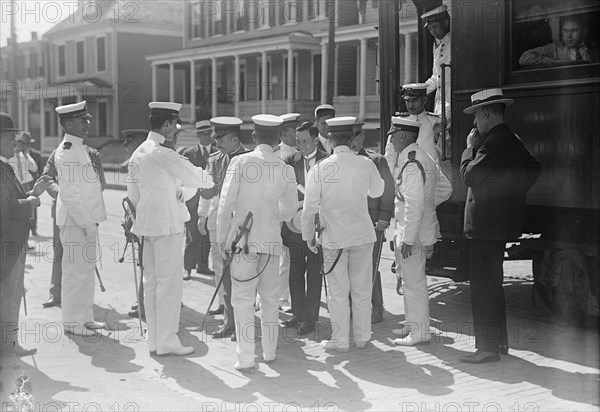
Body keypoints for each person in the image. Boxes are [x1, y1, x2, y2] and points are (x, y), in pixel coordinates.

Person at [459, 89, 541, 363]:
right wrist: (508, 195)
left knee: (483, 288)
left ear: (485, 113)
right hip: (496, 226)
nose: (475, 126)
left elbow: (469, 175)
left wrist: (469, 148)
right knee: (492, 285)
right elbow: (533, 168)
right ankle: (499, 345)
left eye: (476, 119)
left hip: (484, 226)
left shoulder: (490, 142)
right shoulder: (510, 139)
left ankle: (487, 349)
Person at [127, 102, 214, 356]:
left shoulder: (140, 152)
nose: (177, 131)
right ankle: (167, 340)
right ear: (165, 125)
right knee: (169, 285)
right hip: (167, 226)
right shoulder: (164, 153)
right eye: (175, 126)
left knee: (152, 282)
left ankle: (155, 339)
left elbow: (132, 195)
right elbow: (196, 177)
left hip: (146, 226)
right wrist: (209, 180)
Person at [216, 114, 297, 371]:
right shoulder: (286, 168)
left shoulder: (239, 162)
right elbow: (290, 210)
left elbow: (225, 204)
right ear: (277, 139)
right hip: (271, 243)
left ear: (253, 136)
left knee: (242, 300)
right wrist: (273, 215)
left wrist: (222, 240)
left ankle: (246, 357)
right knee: (271, 299)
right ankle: (270, 353)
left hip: (243, 242)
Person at [302, 116, 384, 352]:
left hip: (334, 237)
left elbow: (309, 208)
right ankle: (362, 337)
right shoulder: (365, 164)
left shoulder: (320, 168)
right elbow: (378, 191)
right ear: (351, 138)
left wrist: (308, 236)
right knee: (361, 288)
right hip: (362, 234)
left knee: (338, 291)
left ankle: (340, 340)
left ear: (329, 138)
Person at [387, 117, 452, 346]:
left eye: (393, 136)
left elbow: (413, 205)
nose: (391, 140)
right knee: (409, 279)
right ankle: (412, 323)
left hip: (412, 234)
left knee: (414, 282)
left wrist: (409, 237)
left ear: (403, 136)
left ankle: (420, 331)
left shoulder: (412, 163)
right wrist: (428, 205)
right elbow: (445, 189)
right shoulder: (422, 156)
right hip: (417, 228)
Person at [53, 101, 108, 337]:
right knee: (75, 273)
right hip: (76, 222)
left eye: (87, 120)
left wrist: (91, 222)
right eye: (82, 121)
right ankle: (72, 322)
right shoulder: (66, 151)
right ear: (68, 124)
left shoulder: (80, 148)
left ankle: (85, 318)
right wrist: (86, 223)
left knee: (85, 272)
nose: (87, 124)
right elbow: (69, 193)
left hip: (86, 221)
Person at [0, 112, 51, 357]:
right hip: (6, 244)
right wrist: (31, 202)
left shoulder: (5, 166)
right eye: (10, 136)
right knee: (9, 296)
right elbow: (7, 207)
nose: (14, 141)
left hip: (10, 242)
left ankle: (8, 344)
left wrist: (33, 192)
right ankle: (8, 347)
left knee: (11, 295)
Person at [197, 117, 248, 339]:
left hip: (244, 225)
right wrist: (201, 214)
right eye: (215, 137)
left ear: (235, 138)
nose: (216, 142)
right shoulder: (215, 159)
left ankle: (244, 324)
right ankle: (229, 322)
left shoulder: (250, 158)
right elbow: (207, 191)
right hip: (219, 221)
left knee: (244, 275)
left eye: (221, 138)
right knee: (222, 271)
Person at [41, 140, 106, 310]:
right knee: (60, 251)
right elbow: (47, 179)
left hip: (87, 211)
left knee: (84, 256)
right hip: (64, 211)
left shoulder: (93, 154)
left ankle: (82, 300)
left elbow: (101, 183)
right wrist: (62, 193)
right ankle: (55, 294)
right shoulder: (58, 153)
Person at [281, 121, 328, 335]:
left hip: (319, 226)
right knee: (295, 271)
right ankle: (297, 314)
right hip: (296, 224)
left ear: (316, 139)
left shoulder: (328, 160)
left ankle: (310, 319)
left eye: (305, 141)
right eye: (298, 142)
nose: (300, 146)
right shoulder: (291, 160)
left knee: (314, 272)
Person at [350, 121, 395, 324]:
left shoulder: (377, 160)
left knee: (371, 265)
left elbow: (388, 191)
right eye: (348, 136)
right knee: (352, 266)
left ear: (362, 137)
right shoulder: (341, 161)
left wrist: (384, 217)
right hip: (349, 224)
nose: (352, 141)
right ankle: (354, 308)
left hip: (373, 222)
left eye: (356, 136)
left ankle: (377, 307)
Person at [179, 120, 217, 281]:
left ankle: (203, 265)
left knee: (207, 234)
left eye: (209, 133)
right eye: (203, 134)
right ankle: (187, 267)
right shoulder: (189, 153)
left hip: (211, 199)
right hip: (193, 200)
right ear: (198, 136)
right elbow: (183, 177)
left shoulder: (217, 153)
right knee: (192, 234)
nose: (206, 137)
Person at [120, 129, 150, 320]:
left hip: (147, 221)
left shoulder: (141, 162)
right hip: (142, 220)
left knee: (148, 264)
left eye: (129, 144)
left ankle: (144, 303)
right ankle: (143, 301)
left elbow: (134, 198)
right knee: (145, 263)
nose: (126, 148)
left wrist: (131, 220)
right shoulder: (140, 160)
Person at [274, 113, 301, 313]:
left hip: (301, 213)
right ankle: (281, 297)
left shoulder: (303, 151)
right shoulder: (276, 156)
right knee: (282, 258)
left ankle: (295, 295)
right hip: (281, 214)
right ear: (283, 133)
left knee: (297, 259)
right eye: (294, 131)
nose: (297, 134)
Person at [385, 83, 443, 168]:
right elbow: (390, 155)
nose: (411, 105)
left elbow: (445, 154)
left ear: (424, 100)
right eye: (408, 101)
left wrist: (437, 136)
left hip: (429, 173)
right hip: (405, 175)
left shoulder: (436, 122)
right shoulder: (400, 121)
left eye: (415, 100)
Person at [519, 15, 598, 67]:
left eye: (574, 30)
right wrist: (556, 62)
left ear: (583, 32)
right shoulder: (554, 48)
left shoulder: (592, 47)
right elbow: (524, 58)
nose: (569, 36)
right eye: (565, 31)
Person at [422, 5, 451, 118]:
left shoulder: (454, 43)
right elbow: (436, 77)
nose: (433, 31)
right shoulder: (437, 45)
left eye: (435, 27)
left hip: (453, 103)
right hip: (439, 104)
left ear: (445, 23)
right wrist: (420, 89)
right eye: (430, 29)